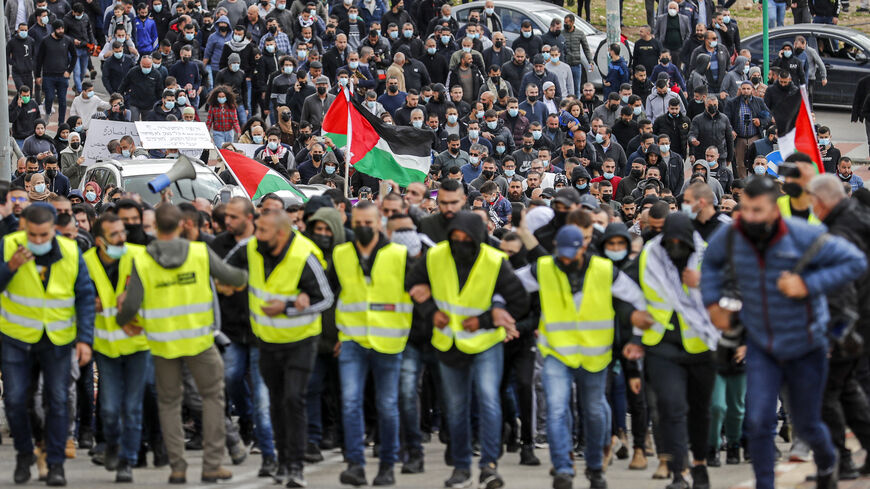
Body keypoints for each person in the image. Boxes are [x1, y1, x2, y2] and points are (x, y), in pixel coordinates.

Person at [702, 175, 867, 489]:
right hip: (762, 344)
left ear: (775, 210)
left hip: (806, 344)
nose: (749, 217)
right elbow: (710, 262)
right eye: (746, 209)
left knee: (807, 422)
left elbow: (855, 261)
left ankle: (827, 460)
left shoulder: (804, 235)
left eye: (758, 210)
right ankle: (766, 483)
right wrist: (712, 303)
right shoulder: (733, 235)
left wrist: (808, 284)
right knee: (760, 421)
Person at [115, 204, 248, 484]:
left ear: (156, 227)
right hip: (200, 341)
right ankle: (212, 465)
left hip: (163, 345)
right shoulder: (199, 252)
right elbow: (232, 277)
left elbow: (131, 306)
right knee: (213, 399)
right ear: (181, 225)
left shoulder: (144, 261)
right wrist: (244, 278)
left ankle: (177, 467)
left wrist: (121, 319)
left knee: (169, 404)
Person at [408, 210, 529, 489]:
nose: (460, 243)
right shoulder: (436, 255)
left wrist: (487, 319)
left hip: (485, 343)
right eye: (455, 238)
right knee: (455, 408)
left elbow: (520, 301)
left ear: (478, 239)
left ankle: (489, 466)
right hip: (448, 342)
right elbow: (412, 284)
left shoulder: (495, 261)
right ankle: (461, 468)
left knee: (488, 400)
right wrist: (429, 310)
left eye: (466, 239)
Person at [534, 225, 652, 489]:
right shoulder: (544, 267)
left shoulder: (605, 270)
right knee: (556, 408)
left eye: (570, 254)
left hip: (596, 354)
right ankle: (563, 468)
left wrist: (635, 339)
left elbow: (637, 301)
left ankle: (596, 465)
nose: (565, 259)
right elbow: (511, 284)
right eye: (560, 253)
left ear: (584, 247)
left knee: (596, 410)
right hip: (557, 352)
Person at [228, 208, 333, 487]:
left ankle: (295, 467)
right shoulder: (251, 248)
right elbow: (226, 269)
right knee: (276, 402)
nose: (257, 235)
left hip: (301, 341)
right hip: (266, 341)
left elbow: (325, 299)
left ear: (282, 233)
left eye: (263, 231)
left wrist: (288, 307)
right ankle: (282, 462)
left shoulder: (304, 255)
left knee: (293, 399)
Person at [2, 204, 96, 486]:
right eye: (33, 235)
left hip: (58, 339)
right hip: (16, 339)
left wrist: (84, 340)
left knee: (57, 400)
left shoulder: (70, 252)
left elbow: (84, 297)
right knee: (17, 401)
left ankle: (55, 463)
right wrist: (11, 267)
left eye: (44, 235)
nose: (39, 241)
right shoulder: (9, 246)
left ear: (54, 230)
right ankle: (24, 453)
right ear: (24, 229)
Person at [629, 212, 721, 489]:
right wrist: (631, 317)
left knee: (700, 410)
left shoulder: (707, 256)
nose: (677, 247)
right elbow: (625, 288)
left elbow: (731, 290)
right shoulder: (649, 255)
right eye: (672, 242)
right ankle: (679, 472)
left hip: (702, 344)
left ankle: (701, 464)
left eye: (683, 242)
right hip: (661, 344)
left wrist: (702, 282)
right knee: (671, 407)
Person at [328, 201, 412, 486]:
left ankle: (387, 466)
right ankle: (355, 465)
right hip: (352, 339)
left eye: (368, 223)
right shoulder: (340, 254)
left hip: (390, 342)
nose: (363, 228)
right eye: (358, 223)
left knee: (387, 405)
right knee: (350, 403)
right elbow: (331, 295)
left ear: (380, 223)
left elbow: (418, 292)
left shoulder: (399, 255)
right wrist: (335, 336)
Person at [83, 213, 149, 483]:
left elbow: (158, 295)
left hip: (138, 344)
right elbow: (73, 298)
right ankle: (112, 443)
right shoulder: (85, 262)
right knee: (109, 408)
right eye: (115, 235)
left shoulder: (140, 256)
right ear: (99, 241)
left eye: (123, 232)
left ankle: (127, 461)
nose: (122, 238)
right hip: (106, 346)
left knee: (132, 407)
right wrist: (90, 302)